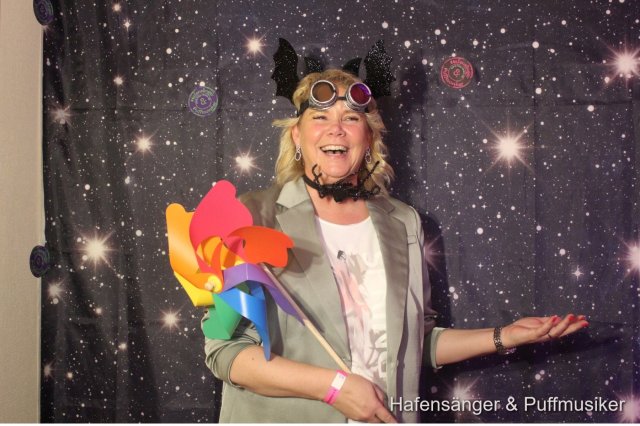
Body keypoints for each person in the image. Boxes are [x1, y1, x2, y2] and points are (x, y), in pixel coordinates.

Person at [203, 68, 588, 423]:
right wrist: (333, 388)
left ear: (369, 138)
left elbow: (412, 343)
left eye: (351, 119)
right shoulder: (250, 217)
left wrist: (504, 336)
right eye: (320, 117)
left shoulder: (403, 221)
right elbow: (226, 352)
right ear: (296, 136)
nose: (336, 130)